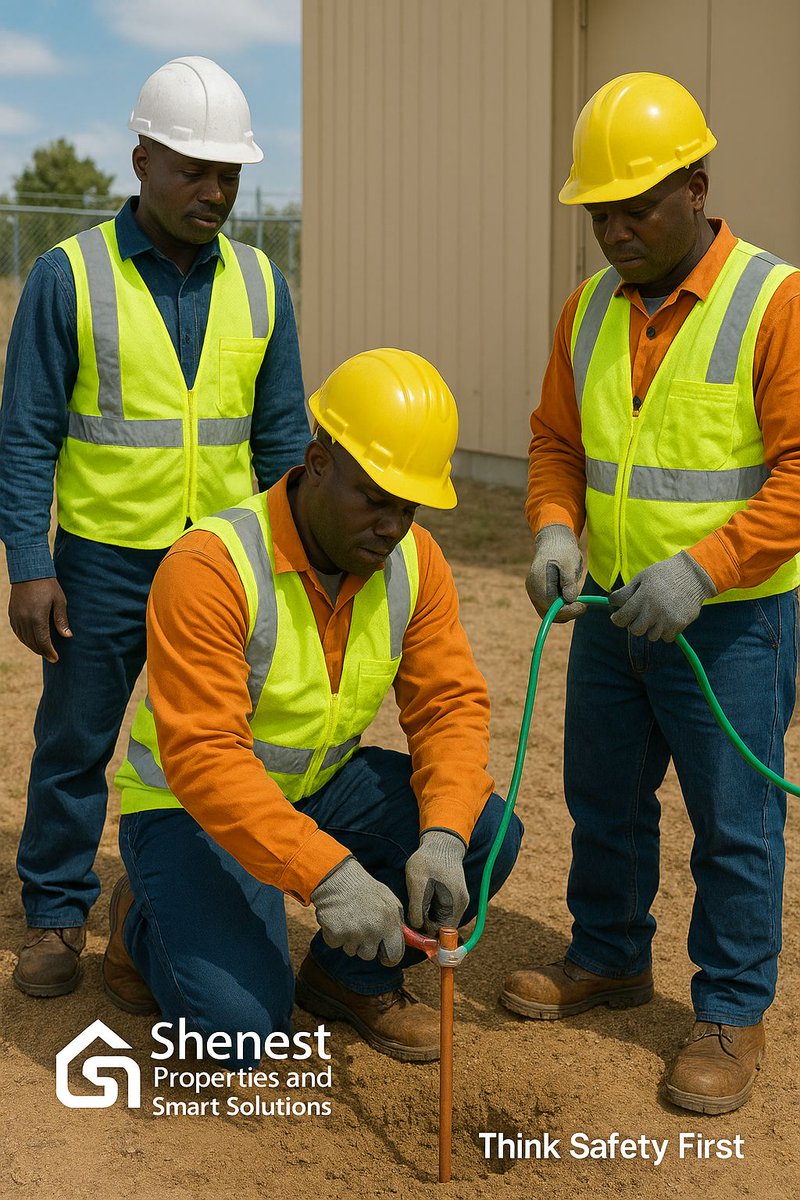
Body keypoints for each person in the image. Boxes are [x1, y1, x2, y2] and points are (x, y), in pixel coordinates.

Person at [500, 73, 800, 1115]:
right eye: (598, 212)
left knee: (733, 826)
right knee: (605, 802)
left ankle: (727, 1009)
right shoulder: (586, 311)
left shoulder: (772, 300)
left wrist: (703, 570)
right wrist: (551, 525)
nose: (613, 230)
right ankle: (610, 958)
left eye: (636, 207)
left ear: (697, 188)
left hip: (731, 630)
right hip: (609, 618)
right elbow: (552, 442)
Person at [106, 348, 522, 1062]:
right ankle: (138, 920)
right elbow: (205, 758)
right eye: (374, 497)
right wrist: (328, 874)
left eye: (408, 505)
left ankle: (349, 982)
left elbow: (449, 707)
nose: (392, 526)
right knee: (238, 1036)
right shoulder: (210, 567)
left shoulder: (417, 562)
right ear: (318, 460)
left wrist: (445, 835)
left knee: (485, 832)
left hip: (315, 791)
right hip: (191, 810)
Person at [0, 56, 310, 999]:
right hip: (98, 565)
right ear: (141, 161)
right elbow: (26, 436)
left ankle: (171, 899)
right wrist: (29, 564)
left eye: (230, 176)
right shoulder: (68, 278)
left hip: (221, 569)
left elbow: (284, 443)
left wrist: (289, 570)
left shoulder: (262, 285)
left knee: (212, 745)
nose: (215, 193)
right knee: (77, 742)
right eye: (193, 171)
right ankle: (57, 912)